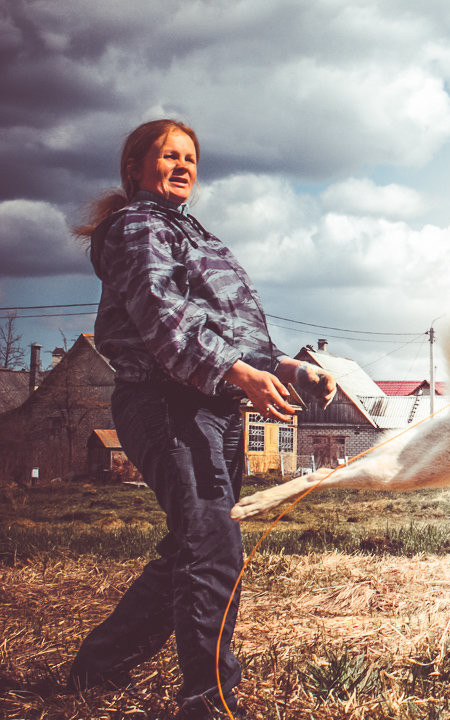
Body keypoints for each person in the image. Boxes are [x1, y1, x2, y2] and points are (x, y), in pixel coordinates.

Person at [69, 119, 336, 719]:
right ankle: (207, 701)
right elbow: (165, 320)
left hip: (213, 408)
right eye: (168, 156)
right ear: (136, 168)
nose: (183, 165)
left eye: (190, 157)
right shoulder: (138, 227)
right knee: (213, 544)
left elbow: (238, 337)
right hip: (165, 404)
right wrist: (240, 375)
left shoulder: (196, 235)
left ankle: (97, 667)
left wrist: (292, 370)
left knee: (195, 544)